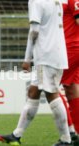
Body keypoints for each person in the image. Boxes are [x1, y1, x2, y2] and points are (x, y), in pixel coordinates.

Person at [0, 0, 72, 145]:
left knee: (52, 93)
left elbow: (34, 31)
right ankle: (16, 135)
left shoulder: (36, 1)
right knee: (33, 92)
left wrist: (27, 58)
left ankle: (66, 139)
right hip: (56, 53)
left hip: (46, 56)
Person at [61, 0, 79, 143]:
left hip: (70, 49)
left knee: (50, 88)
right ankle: (76, 134)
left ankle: (70, 134)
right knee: (72, 90)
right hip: (69, 49)